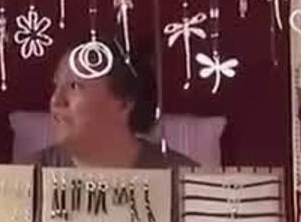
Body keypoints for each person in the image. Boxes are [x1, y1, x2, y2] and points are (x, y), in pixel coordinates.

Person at [31, 47, 196, 169]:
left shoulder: (183, 179)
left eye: (75, 86)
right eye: (56, 85)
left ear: (124, 103)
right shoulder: (27, 175)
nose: (56, 101)